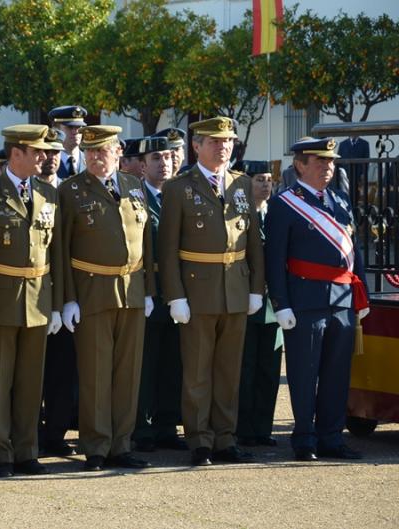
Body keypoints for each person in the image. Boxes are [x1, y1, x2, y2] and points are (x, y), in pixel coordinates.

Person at [158, 116, 265, 467]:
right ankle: (200, 439)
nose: (224, 147)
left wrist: (255, 289)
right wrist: (175, 295)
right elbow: (168, 247)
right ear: (197, 146)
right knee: (198, 372)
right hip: (197, 290)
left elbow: (253, 242)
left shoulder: (242, 184)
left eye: (228, 141)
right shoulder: (177, 187)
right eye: (215, 142)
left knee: (228, 371)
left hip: (235, 287)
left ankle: (225, 437)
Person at [265, 138, 369, 462]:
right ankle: (305, 438)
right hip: (305, 299)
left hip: (340, 299)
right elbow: (274, 258)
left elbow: (354, 250)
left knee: (337, 374)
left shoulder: (340, 200)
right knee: (304, 373)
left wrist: (360, 291)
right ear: (300, 164)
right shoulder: (284, 204)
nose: (328, 167)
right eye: (320, 161)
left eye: (331, 162)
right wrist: (281, 303)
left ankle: (331, 437)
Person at [60, 125, 155, 471]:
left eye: (103, 151)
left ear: (118, 152)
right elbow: (62, 249)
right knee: (95, 373)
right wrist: (69, 298)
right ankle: (96, 446)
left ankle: (121, 444)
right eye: (91, 152)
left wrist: (150, 290)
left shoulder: (133, 186)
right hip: (92, 290)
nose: (97, 157)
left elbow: (146, 241)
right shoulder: (70, 191)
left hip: (132, 291)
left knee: (127, 373)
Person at [0, 124, 63, 477]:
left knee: (30, 381)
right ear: (16, 154)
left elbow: (55, 252)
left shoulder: (48, 194)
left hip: (39, 299)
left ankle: (27, 451)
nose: (44, 157)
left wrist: (57, 304)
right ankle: (4, 454)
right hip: (1, 298)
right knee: (0, 381)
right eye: (37, 152)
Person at [132, 137, 187, 453]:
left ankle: (167, 424)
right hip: (147, 286)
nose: (164, 162)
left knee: (172, 361)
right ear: (142, 165)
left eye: (167, 157)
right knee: (146, 362)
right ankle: (141, 427)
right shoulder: (135, 197)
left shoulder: (179, 196)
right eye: (156, 158)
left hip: (177, 288)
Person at [234, 161, 283, 448]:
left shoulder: (275, 213)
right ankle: (244, 427)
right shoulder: (240, 214)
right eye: (259, 179)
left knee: (269, 367)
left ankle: (263, 427)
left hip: (272, 305)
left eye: (268, 180)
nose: (266, 185)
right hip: (245, 301)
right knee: (246, 367)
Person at [36, 128, 78, 456]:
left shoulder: (68, 192)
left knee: (63, 371)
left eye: (54, 152)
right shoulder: (28, 192)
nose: (50, 158)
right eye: (45, 152)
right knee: (28, 374)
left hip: (63, 294)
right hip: (30, 296)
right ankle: (29, 435)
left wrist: (69, 299)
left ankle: (56, 434)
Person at [49, 105, 87, 180]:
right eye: (70, 127)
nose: (75, 131)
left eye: (79, 127)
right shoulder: (47, 163)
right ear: (56, 129)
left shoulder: (89, 161)